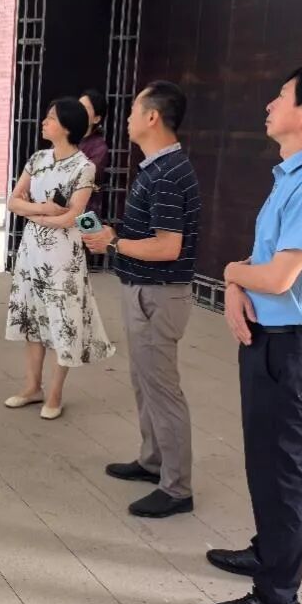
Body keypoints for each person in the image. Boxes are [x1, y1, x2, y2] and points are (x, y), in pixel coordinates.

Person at [201, 64, 302, 604]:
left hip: (295, 350)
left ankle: (277, 603)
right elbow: (263, 263)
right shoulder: (293, 175)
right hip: (271, 342)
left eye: (282, 95)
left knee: (283, 474)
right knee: (265, 464)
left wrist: (230, 273)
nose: (270, 104)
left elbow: (278, 277)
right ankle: (267, 552)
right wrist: (235, 285)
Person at [82, 81, 201, 518]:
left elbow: (168, 246)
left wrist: (113, 243)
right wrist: (116, 235)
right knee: (144, 382)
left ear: (153, 117)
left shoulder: (168, 174)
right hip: (145, 291)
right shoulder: (157, 168)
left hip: (158, 295)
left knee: (162, 390)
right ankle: (153, 462)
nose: (128, 117)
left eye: (134, 109)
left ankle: (177, 488)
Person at [4, 97, 116, 419]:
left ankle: (55, 393)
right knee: (33, 317)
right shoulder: (37, 158)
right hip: (32, 251)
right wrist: (44, 210)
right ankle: (32, 386)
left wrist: (34, 214)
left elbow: (72, 217)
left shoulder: (84, 167)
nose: (44, 122)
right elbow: (13, 201)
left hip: (62, 256)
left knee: (62, 320)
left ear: (67, 127)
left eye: (51, 118)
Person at [78, 88, 110, 218]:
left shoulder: (99, 148)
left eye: (85, 108)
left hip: (84, 216)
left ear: (96, 119)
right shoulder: (62, 138)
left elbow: (82, 179)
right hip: (56, 211)